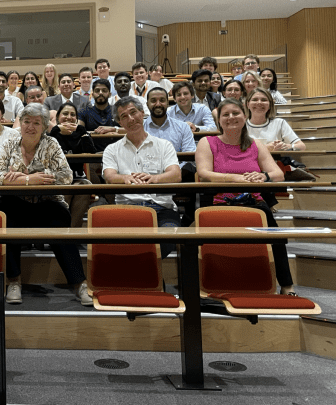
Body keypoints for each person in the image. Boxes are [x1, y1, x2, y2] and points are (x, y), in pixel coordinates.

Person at [0, 103, 90, 305]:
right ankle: (14, 282)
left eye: (36, 123)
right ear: (20, 123)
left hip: (47, 202)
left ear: (44, 126)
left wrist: (27, 178)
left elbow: (66, 176)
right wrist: (28, 180)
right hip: (15, 202)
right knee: (5, 218)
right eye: (26, 121)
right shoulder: (10, 143)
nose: (30, 127)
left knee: (59, 227)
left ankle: (80, 284)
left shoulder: (51, 143)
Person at [195, 98, 295, 295]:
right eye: (226, 114)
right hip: (220, 202)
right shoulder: (208, 142)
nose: (231, 117)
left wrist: (263, 176)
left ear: (245, 115)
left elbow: (278, 174)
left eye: (236, 113)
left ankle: (287, 286)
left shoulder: (256, 144)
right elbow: (204, 173)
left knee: (276, 235)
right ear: (219, 120)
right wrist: (234, 178)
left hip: (253, 202)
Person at [102, 97, 182, 257]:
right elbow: (109, 176)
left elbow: (176, 174)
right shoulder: (112, 149)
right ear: (119, 122)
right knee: (117, 245)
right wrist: (124, 178)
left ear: (142, 113)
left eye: (133, 112)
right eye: (124, 116)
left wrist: (155, 178)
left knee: (167, 241)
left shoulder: (164, 145)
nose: (131, 119)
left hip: (162, 209)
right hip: (127, 209)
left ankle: (145, 271)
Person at [145, 87, 197, 224]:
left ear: (168, 103)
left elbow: (189, 155)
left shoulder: (182, 127)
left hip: (177, 177)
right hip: (146, 176)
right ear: (147, 104)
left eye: (162, 100)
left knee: (191, 169)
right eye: (153, 100)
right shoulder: (140, 127)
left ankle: (187, 225)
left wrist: (170, 174)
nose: (158, 104)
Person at [49, 102, 96, 227]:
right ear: (58, 117)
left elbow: (91, 154)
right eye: (65, 114)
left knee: (84, 187)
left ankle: (74, 232)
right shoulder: (52, 135)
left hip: (78, 178)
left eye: (72, 114)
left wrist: (82, 131)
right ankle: (61, 231)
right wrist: (56, 130)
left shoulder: (81, 133)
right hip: (56, 179)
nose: (69, 117)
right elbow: (45, 152)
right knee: (66, 189)